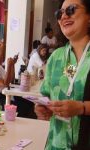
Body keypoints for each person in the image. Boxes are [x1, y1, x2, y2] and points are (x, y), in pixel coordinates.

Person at [35, 0, 90, 149]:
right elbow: (48, 95)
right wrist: (43, 107)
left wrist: (82, 108)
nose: (64, 16)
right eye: (59, 13)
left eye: (71, 10)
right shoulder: (58, 57)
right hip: (56, 144)